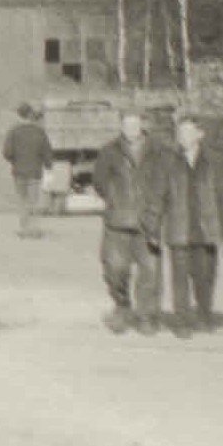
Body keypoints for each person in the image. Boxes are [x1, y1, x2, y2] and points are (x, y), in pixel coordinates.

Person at [153, 114, 223, 337]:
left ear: (200, 134)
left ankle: (203, 316)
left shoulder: (214, 162)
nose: (183, 137)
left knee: (205, 277)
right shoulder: (168, 162)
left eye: (188, 132)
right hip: (179, 228)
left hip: (206, 229)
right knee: (180, 279)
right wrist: (152, 224)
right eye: (180, 133)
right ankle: (181, 321)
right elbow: (158, 195)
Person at [90, 110, 164, 333]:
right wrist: (115, 199)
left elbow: (165, 181)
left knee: (150, 271)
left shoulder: (158, 151)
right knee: (114, 268)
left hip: (148, 221)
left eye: (135, 124)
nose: (131, 129)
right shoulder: (109, 151)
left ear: (142, 125)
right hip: (117, 221)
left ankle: (146, 315)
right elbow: (99, 181)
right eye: (127, 125)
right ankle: (122, 307)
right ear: (121, 127)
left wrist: (155, 207)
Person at [3, 104, 53, 237]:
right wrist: (48, 166)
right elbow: (47, 152)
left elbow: (7, 152)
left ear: (19, 115)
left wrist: (14, 161)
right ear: (30, 115)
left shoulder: (13, 132)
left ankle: (24, 229)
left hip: (19, 172)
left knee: (22, 200)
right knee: (33, 200)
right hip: (35, 172)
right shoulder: (39, 132)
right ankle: (34, 229)